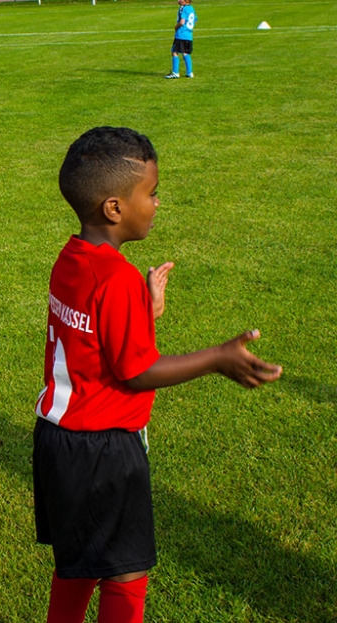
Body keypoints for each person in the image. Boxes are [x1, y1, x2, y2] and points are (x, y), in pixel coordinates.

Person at [34, 126, 282, 623]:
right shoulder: (117, 278)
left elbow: (96, 339)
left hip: (59, 443)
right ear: (114, 208)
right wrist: (217, 358)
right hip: (103, 450)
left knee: (77, 568)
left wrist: (143, 310)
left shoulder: (71, 260)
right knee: (125, 576)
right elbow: (136, 371)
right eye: (150, 192)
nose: (157, 202)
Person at [166, 0, 196, 79]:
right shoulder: (191, 8)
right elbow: (195, 19)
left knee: (174, 52)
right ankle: (189, 72)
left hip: (181, 34)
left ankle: (175, 72)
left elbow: (182, 22)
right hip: (188, 35)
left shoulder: (184, 8)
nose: (178, 0)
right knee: (185, 53)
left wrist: (176, 27)